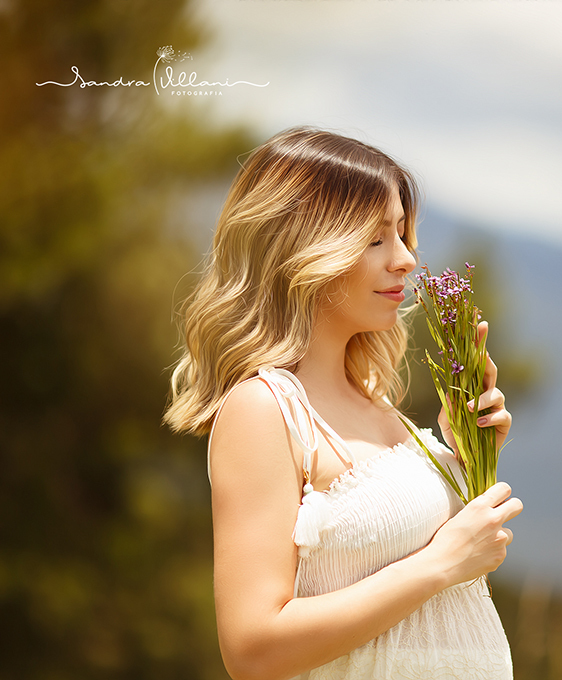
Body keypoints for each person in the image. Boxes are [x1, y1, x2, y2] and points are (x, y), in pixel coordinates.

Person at [164, 127, 522, 680]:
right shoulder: (265, 410)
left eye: (402, 234)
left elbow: (433, 616)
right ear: (302, 248)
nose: (405, 259)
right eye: (376, 239)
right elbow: (252, 649)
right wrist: (440, 563)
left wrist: (465, 454)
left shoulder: (379, 405)